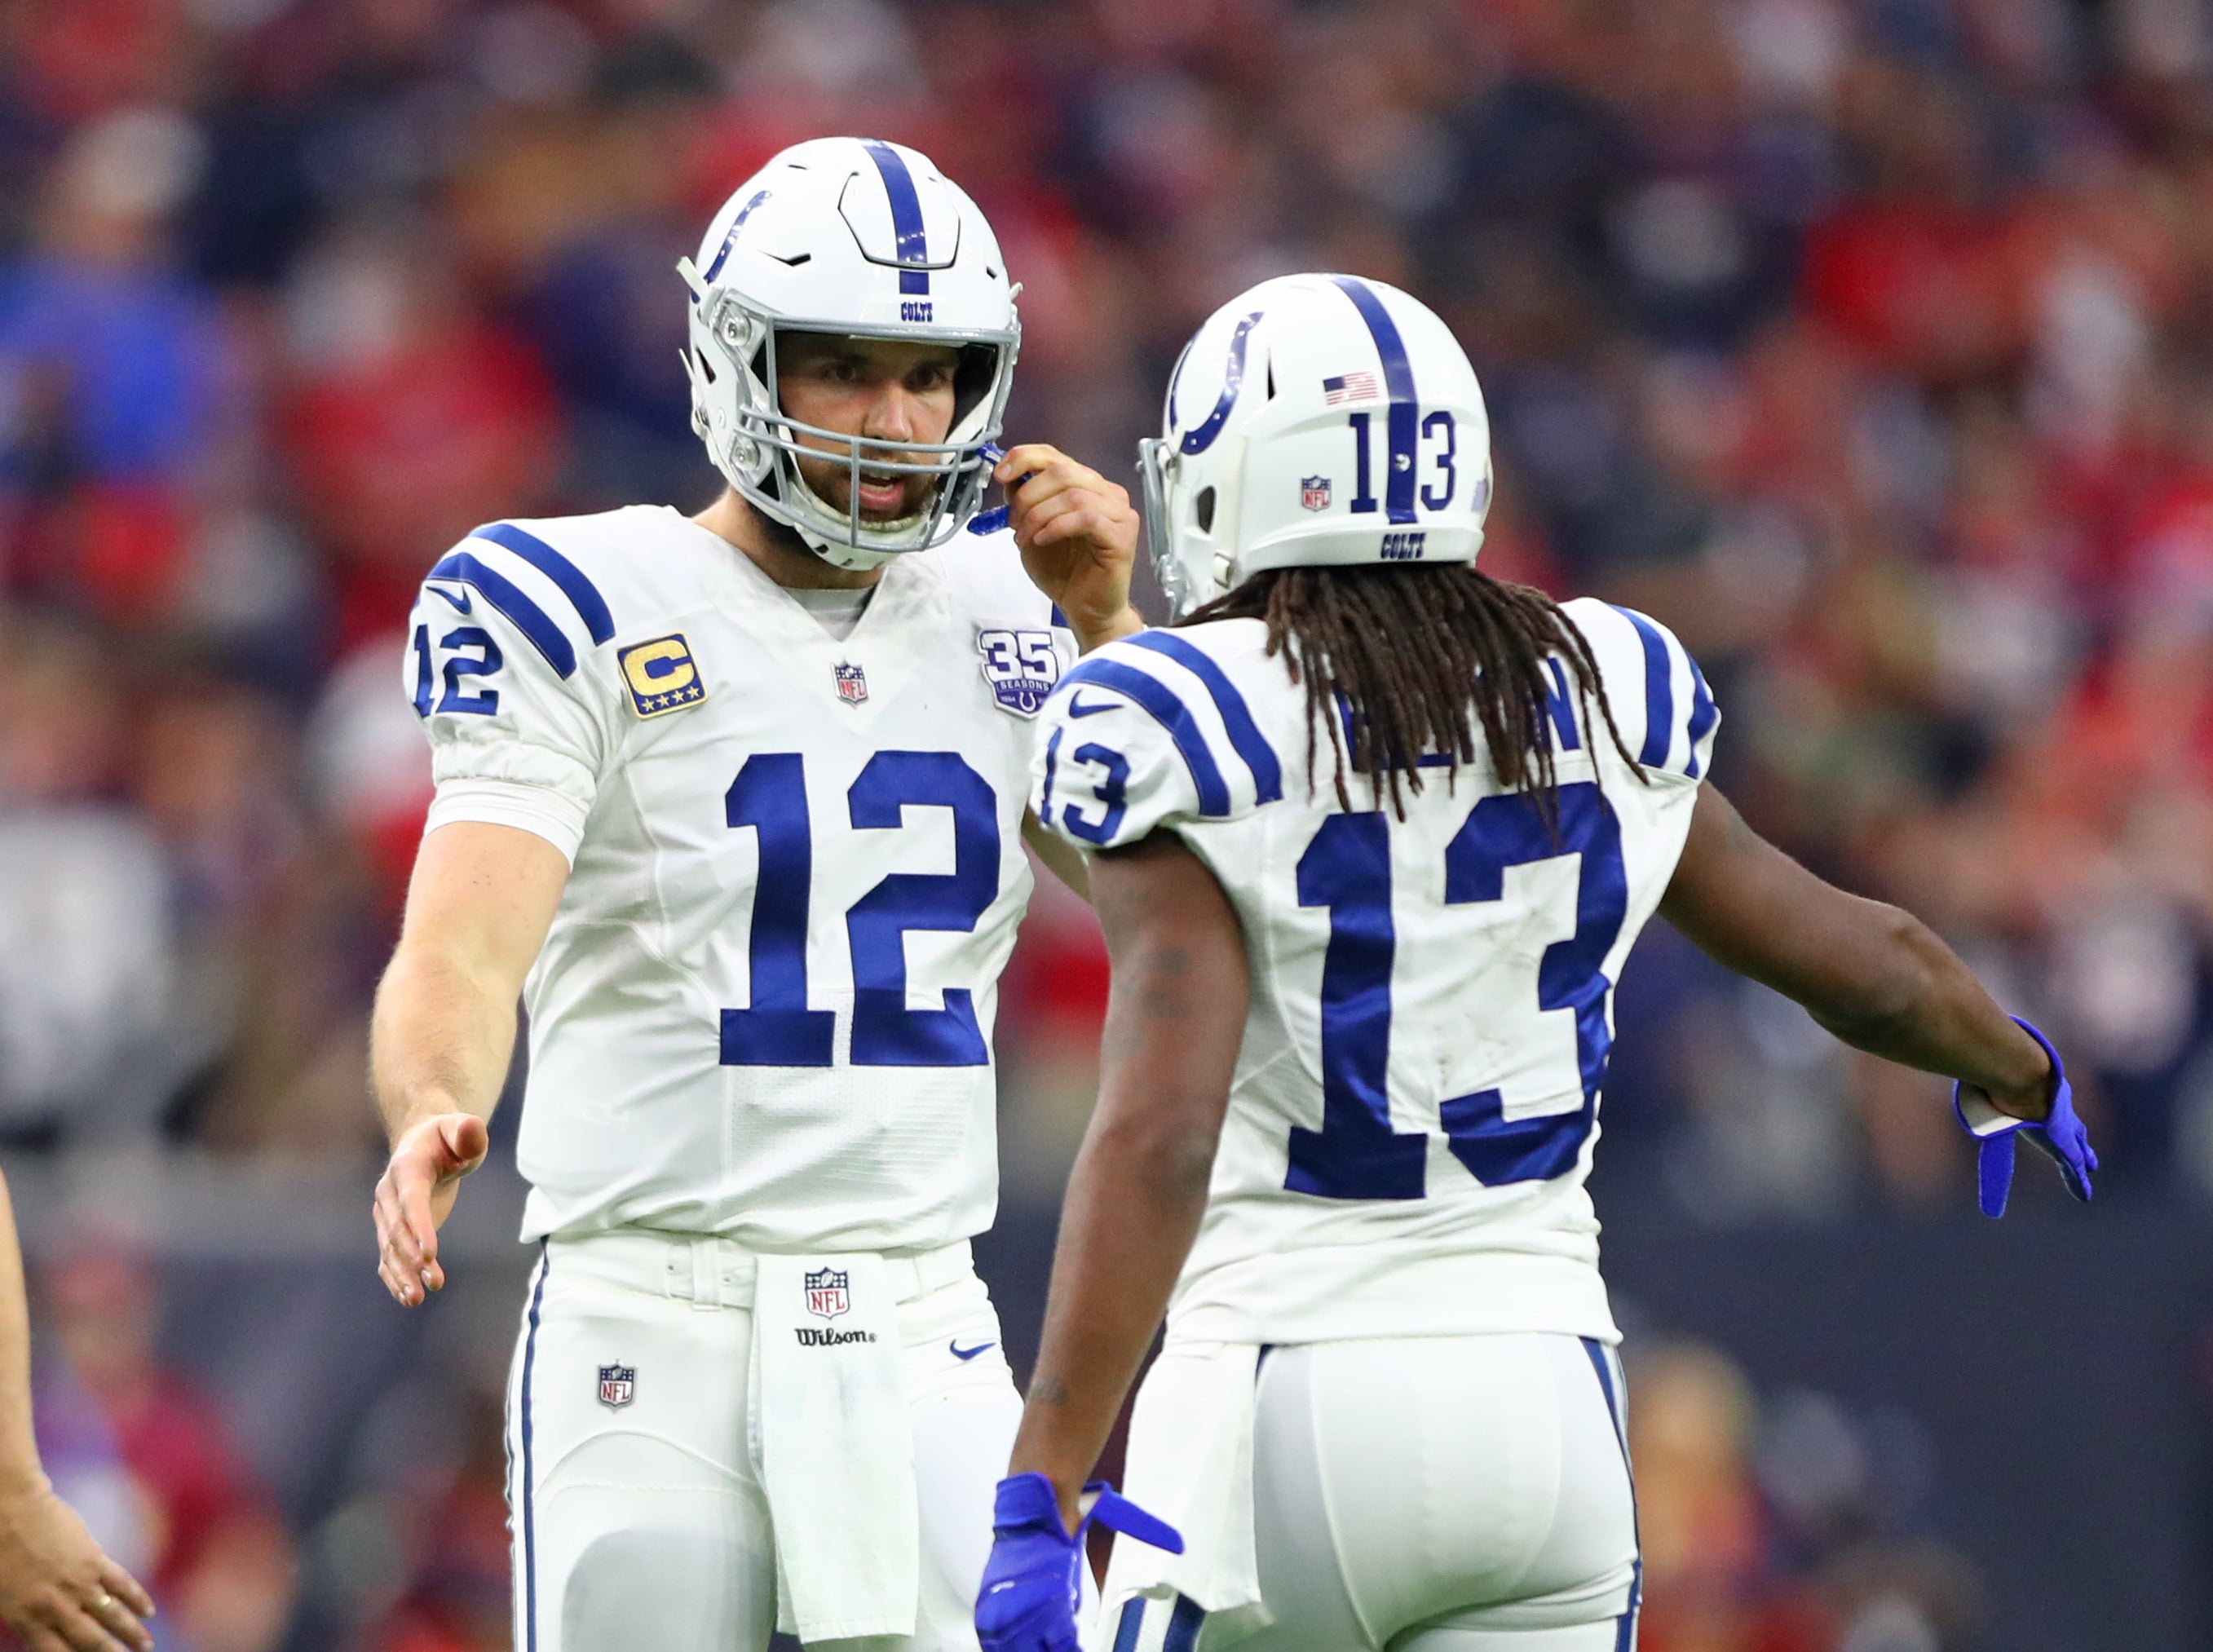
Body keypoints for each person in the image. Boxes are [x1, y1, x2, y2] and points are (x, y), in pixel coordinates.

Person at [974, 274, 2096, 1652]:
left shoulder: (1166, 714)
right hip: (1546, 1409)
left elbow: (1160, 1126)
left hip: (1284, 1396)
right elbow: (1863, 964)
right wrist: (2010, 1063)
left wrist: (1047, 1470)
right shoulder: (1595, 674)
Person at [367, 137, 1142, 1652]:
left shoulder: (1015, 602)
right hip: (653, 1316)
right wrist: (429, 1105)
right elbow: (459, 943)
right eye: (843, 369)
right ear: (735, 360)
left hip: (923, 1318)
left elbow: (1176, 906)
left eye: (930, 376)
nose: (896, 418)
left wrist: (1112, 626)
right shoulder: (575, 600)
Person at [0, 1173, 156, 1652]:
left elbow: (241, 1557)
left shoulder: (181, 1426)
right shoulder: (34, 1410)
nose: (98, 1332)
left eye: (112, 1310)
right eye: (80, 1314)